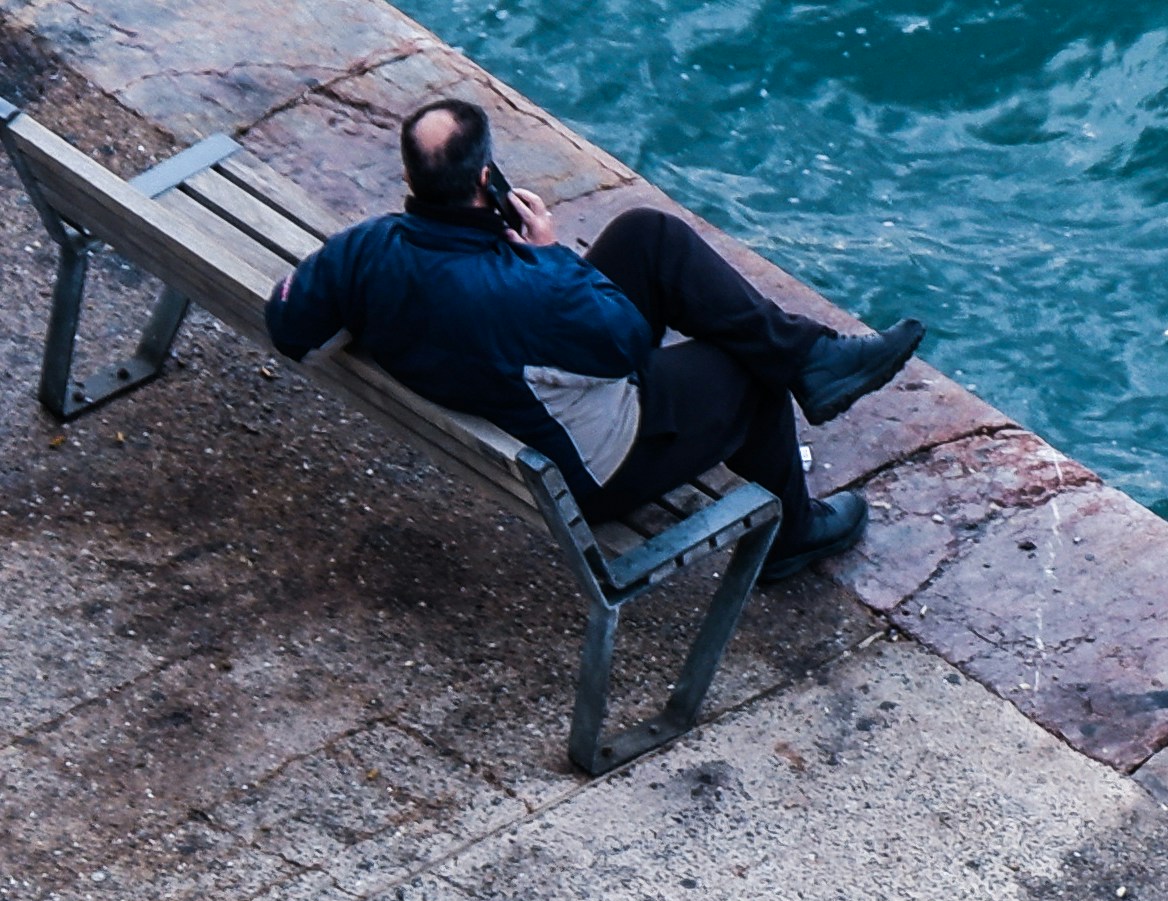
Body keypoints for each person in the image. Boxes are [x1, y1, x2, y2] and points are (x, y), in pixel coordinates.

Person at [260, 100, 921, 585]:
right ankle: (792, 538)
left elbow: (288, 324)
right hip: (590, 467)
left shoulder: (366, 248)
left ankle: (813, 360)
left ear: (411, 180)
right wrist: (549, 254)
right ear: (487, 177)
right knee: (746, 372)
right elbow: (628, 347)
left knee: (645, 236)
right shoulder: (530, 292)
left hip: (502, 393)